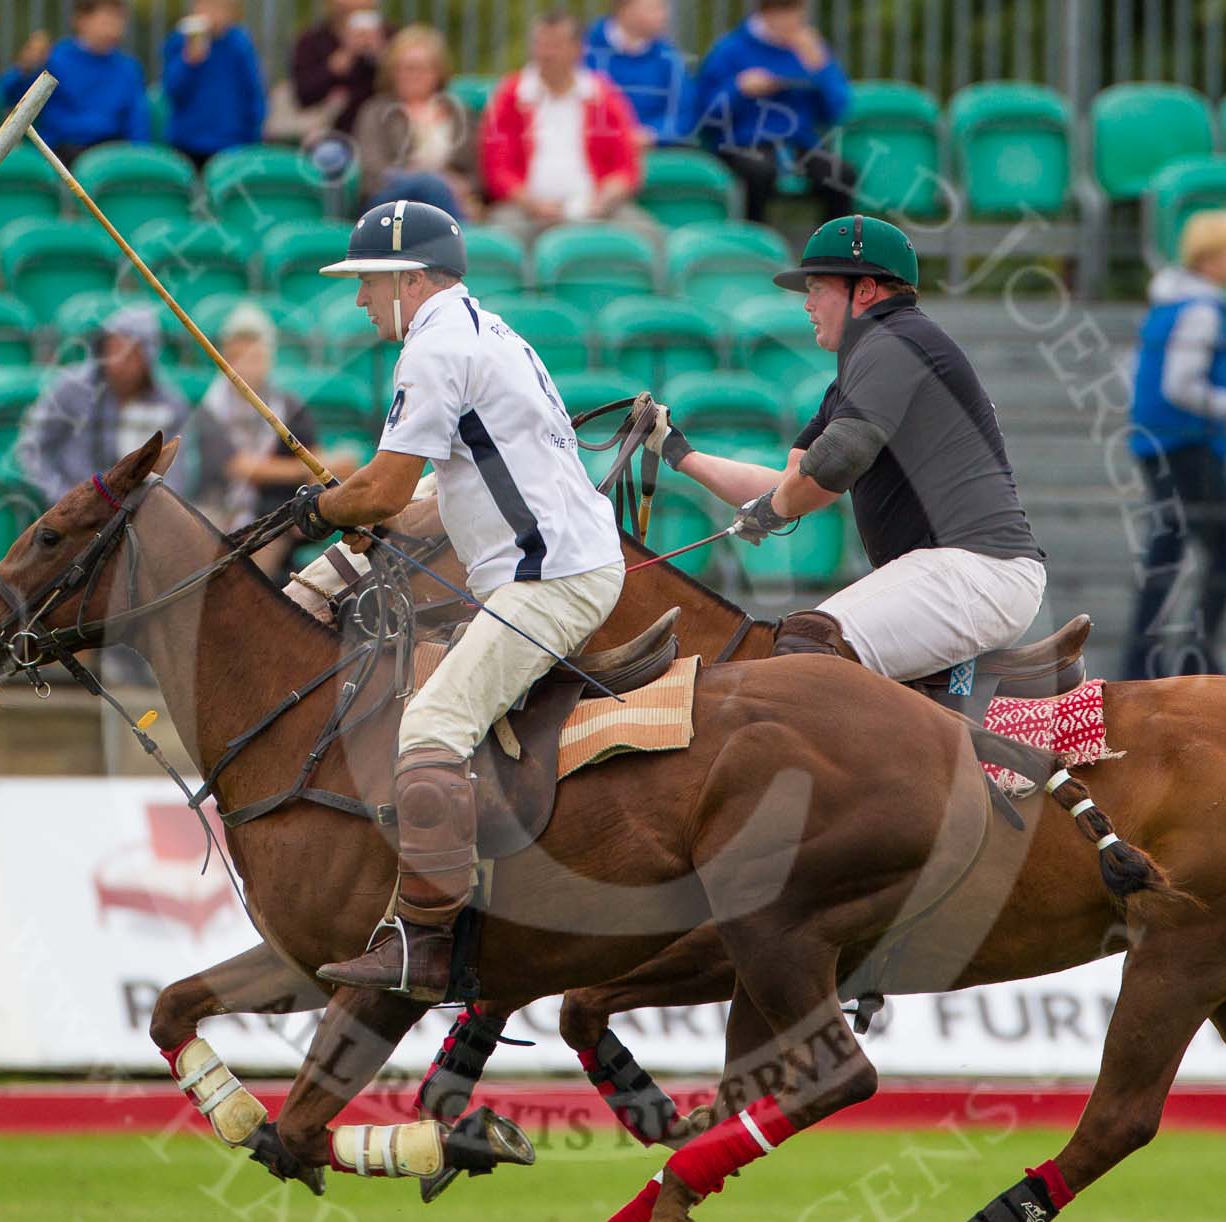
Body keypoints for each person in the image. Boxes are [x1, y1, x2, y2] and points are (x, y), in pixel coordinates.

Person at [292, 201, 624, 999]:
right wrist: (377, 517)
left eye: (369, 284)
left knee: (430, 724)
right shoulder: (491, 331)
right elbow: (439, 492)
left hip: (546, 580)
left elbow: (382, 485)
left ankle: (427, 939)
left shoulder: (434, 346)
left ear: (410, 279)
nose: (360, 301)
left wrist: (323, 507)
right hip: (563, 565)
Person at [647, 215, 1047, 683]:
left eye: (818, 288)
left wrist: (772, 511)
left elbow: (834, 464)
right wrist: (680, 454)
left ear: (866, 290)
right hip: (956, 572)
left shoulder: (896, 342)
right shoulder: (866, 365)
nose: (808, 304)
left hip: (974, 570)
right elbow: (794, 481)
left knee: (808, 646)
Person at [1124, 211, 1226, 680]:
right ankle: (1198, 652)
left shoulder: (1169, 301)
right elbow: (1180, 386)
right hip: (1188, 444)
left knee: (1167, 551)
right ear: (1213, 258)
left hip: (1158, 442)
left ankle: (1145, 658)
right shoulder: (1203, 309)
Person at [193, 303, 351, 579]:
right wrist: (302, 469)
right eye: (238, 357)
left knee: (263, 550)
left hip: (274, 516)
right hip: (219, 510)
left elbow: (316, 462)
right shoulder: (210, 410)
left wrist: (312, 501)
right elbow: (237, 467)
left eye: (254, 357)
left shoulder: (289, 407)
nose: (246, 367)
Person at [480, 12, 650, 244]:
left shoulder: (603, 95)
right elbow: (497, 170)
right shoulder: (510, 95)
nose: (546, 54)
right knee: (498, 238)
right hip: (526, 211)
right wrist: (532, 204)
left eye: (555, 45)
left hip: (596, 207)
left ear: (577, 49)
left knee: (649, 236)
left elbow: (626, 167)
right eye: (541, 45)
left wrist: (605, 197)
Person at [690, 0, 854, 223]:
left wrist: (821, 69)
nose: (795, 22)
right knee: (759, 172)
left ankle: (834, 251)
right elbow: (705, 114)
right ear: (767, 13)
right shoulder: (730, 50)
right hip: (744, 144)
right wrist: (739, 89)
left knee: (841, 175)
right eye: (786, 13)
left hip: (799, 145)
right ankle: (754, 248)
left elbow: (837, 109)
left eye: (798, 13)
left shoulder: (810, 49)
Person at [15, 305, 194, 503]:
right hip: (69, 511)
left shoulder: (170, 404)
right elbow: (31, 448)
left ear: (148, 358)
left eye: (131, 354)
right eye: (114, 348)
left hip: (135, 517)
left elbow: (178, 470)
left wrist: (149, 507)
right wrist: (62, 496)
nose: (119, 361)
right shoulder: (71, 389)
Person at [0, 0, 150, 164]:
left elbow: (137, 123)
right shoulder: (54, 59)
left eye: (119, 19)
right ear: (80, 20)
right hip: (63, 150)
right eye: (106, 20)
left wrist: (138, 157)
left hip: (110, 151)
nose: (114, 28)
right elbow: (10, 95)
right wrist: (25, 69)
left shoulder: (128, 68)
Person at [352, 26, 477, 220]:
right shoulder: (375, 111)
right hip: (390, 203)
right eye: (404, 68)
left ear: (437, 72)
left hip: (451, 199)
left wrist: (462, 186)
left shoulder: (459, 113)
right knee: (431, 185)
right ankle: (461, 243)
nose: (411, 76)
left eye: (420, 68)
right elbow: (372, 170)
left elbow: (478, 174)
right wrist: (429, 178)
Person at [161, 0, 266, 170]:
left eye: (220, 7)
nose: (213, 13)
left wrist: (253, 136)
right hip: (187, 142)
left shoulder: (240, 45)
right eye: (206, 5)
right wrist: (188, 62)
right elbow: (172, 91)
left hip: (232, 144)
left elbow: (253, 93)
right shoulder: (180, 41)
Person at [585, 0, 694, 147]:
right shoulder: (584, 51)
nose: (664, 16)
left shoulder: (669, 57)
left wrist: (651, 133)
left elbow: (685, 114)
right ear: (624, 9)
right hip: (594, 150)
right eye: (654, 8)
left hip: (653, 154)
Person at [289, 0, 389, 138]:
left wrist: (381, 56)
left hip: (383, 131)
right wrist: (337, 64)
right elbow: (303, 96)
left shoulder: (390, 36)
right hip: (332, 134)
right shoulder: (313, 40)